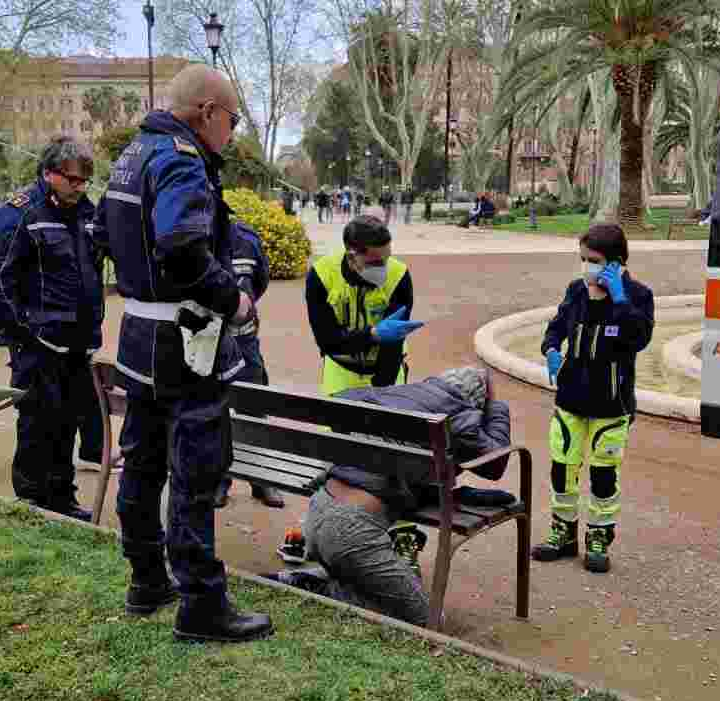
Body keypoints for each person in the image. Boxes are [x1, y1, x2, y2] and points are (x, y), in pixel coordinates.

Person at [94, 64, 273, 644]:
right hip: (185, 344)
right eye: (233, 120)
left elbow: (103, 234)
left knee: (142, 464)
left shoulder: (132, 155)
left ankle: (147, 579)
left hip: (140, 338)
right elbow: (182, 246)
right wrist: (237, 303)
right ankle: (201, 604)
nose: (232, 132)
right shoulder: (180, 158)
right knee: (195, 471)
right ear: (207, 113)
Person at [264, 366, 513, 626]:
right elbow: (496, 463)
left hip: (318, 511)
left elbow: (342, 403)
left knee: (376, 578)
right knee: (430, 620)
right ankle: (323, 590)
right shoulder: (460, 413)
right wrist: (496, 405)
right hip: (352, 534)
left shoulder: (398, 395)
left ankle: (309, 578)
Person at [0, 136, 105, 522]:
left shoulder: (88, 212)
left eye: (85, 180)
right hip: (37, 343)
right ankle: (32, 501)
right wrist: (24, 332)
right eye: (72, 179)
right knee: (37, 421)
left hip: (78, 341)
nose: (79, 187)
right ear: (49, 173)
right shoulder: (20, 213)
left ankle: (61, 497)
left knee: (68, 421)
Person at [532, 223, 654, 574]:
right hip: (570, 399)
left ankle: (599, 536)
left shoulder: (638, 296)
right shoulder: (576, 291)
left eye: (595, 260)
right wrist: (552, 348)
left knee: (603, 475)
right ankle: (563, 532)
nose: (587, 267)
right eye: (583, 259)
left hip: (610, 405)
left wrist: (618, 299)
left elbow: (638, 338)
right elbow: (556, 326)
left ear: (616, 263)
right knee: (562, 468)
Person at [307, 215, 422, 396]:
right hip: (340, 370)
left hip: (387, 370)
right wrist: (373, 335)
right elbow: (327, 341)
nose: (384, 267)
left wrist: (380, 394)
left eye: (387, 258)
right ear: (352, 257)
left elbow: (392, 346)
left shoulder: (399, 275)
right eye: (376, 262)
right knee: (334, 424)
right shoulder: (321, 276)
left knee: (387, 423)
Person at [214, 221, 285, 510]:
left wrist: (244, 310)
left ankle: (261, 480)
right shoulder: (193, 236)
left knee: (254, 409)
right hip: (209, 344)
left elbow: (260, 281)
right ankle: (219, 480)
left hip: (244, 343)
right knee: (215, 413)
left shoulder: (246, 239)